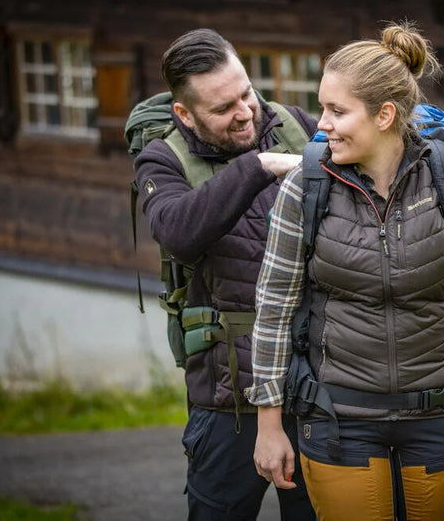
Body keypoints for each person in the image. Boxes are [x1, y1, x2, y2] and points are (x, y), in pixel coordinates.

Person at [248, 22, 444, 520]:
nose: (322, 124)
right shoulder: (304, 187)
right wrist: (269, 424)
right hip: (338, 419)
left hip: (442, 415)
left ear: (384, 115)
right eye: (322, 108)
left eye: (337, 111)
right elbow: (274, 308)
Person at [133, 28, 318, 521]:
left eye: (246, 94)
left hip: (313, 384)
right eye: (223, 108)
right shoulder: (162, 160)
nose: (244, 113)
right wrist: (258, 165)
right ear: (184, 113)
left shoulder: (296, 126)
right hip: (227, 399)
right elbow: (178, 231)